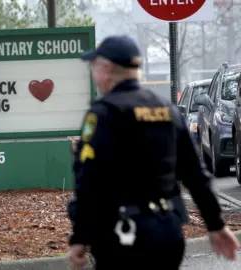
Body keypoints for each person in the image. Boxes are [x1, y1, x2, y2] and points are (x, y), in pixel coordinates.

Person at [67, 35, 240, 270]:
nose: (93, 74)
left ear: (106, 69)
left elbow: (88, 182)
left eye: (94, 67)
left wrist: (79, 238)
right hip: (167, 234)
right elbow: (195, 175)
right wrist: (216, 225)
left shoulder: (104, 114)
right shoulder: (166, 110)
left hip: (122, 237)